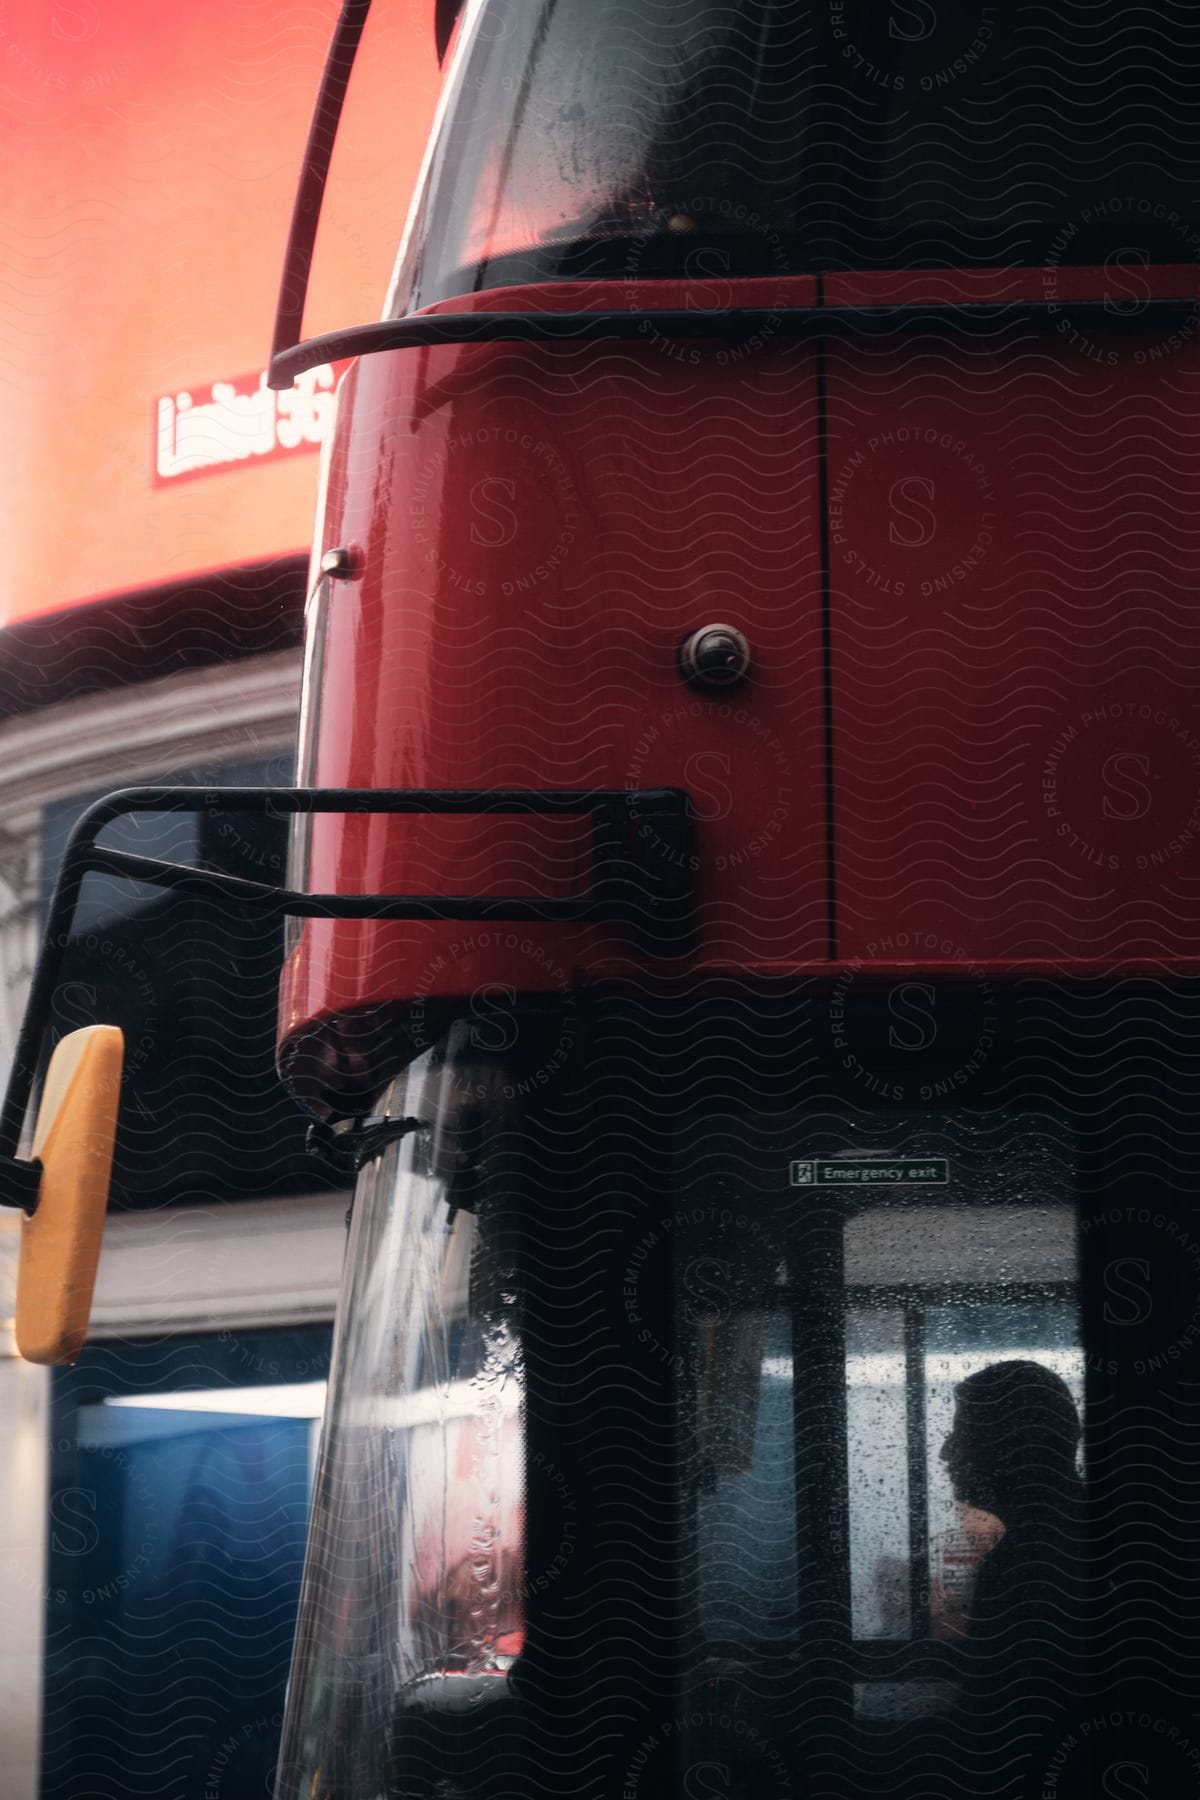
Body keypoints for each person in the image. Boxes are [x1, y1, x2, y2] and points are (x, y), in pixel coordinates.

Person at [939, 1360, 1088, 1780]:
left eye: (961, 1433)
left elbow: (987, 1740)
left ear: (1010, 1444)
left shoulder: (1033, 1561)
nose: (946, 1451)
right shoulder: (1073, 1536)